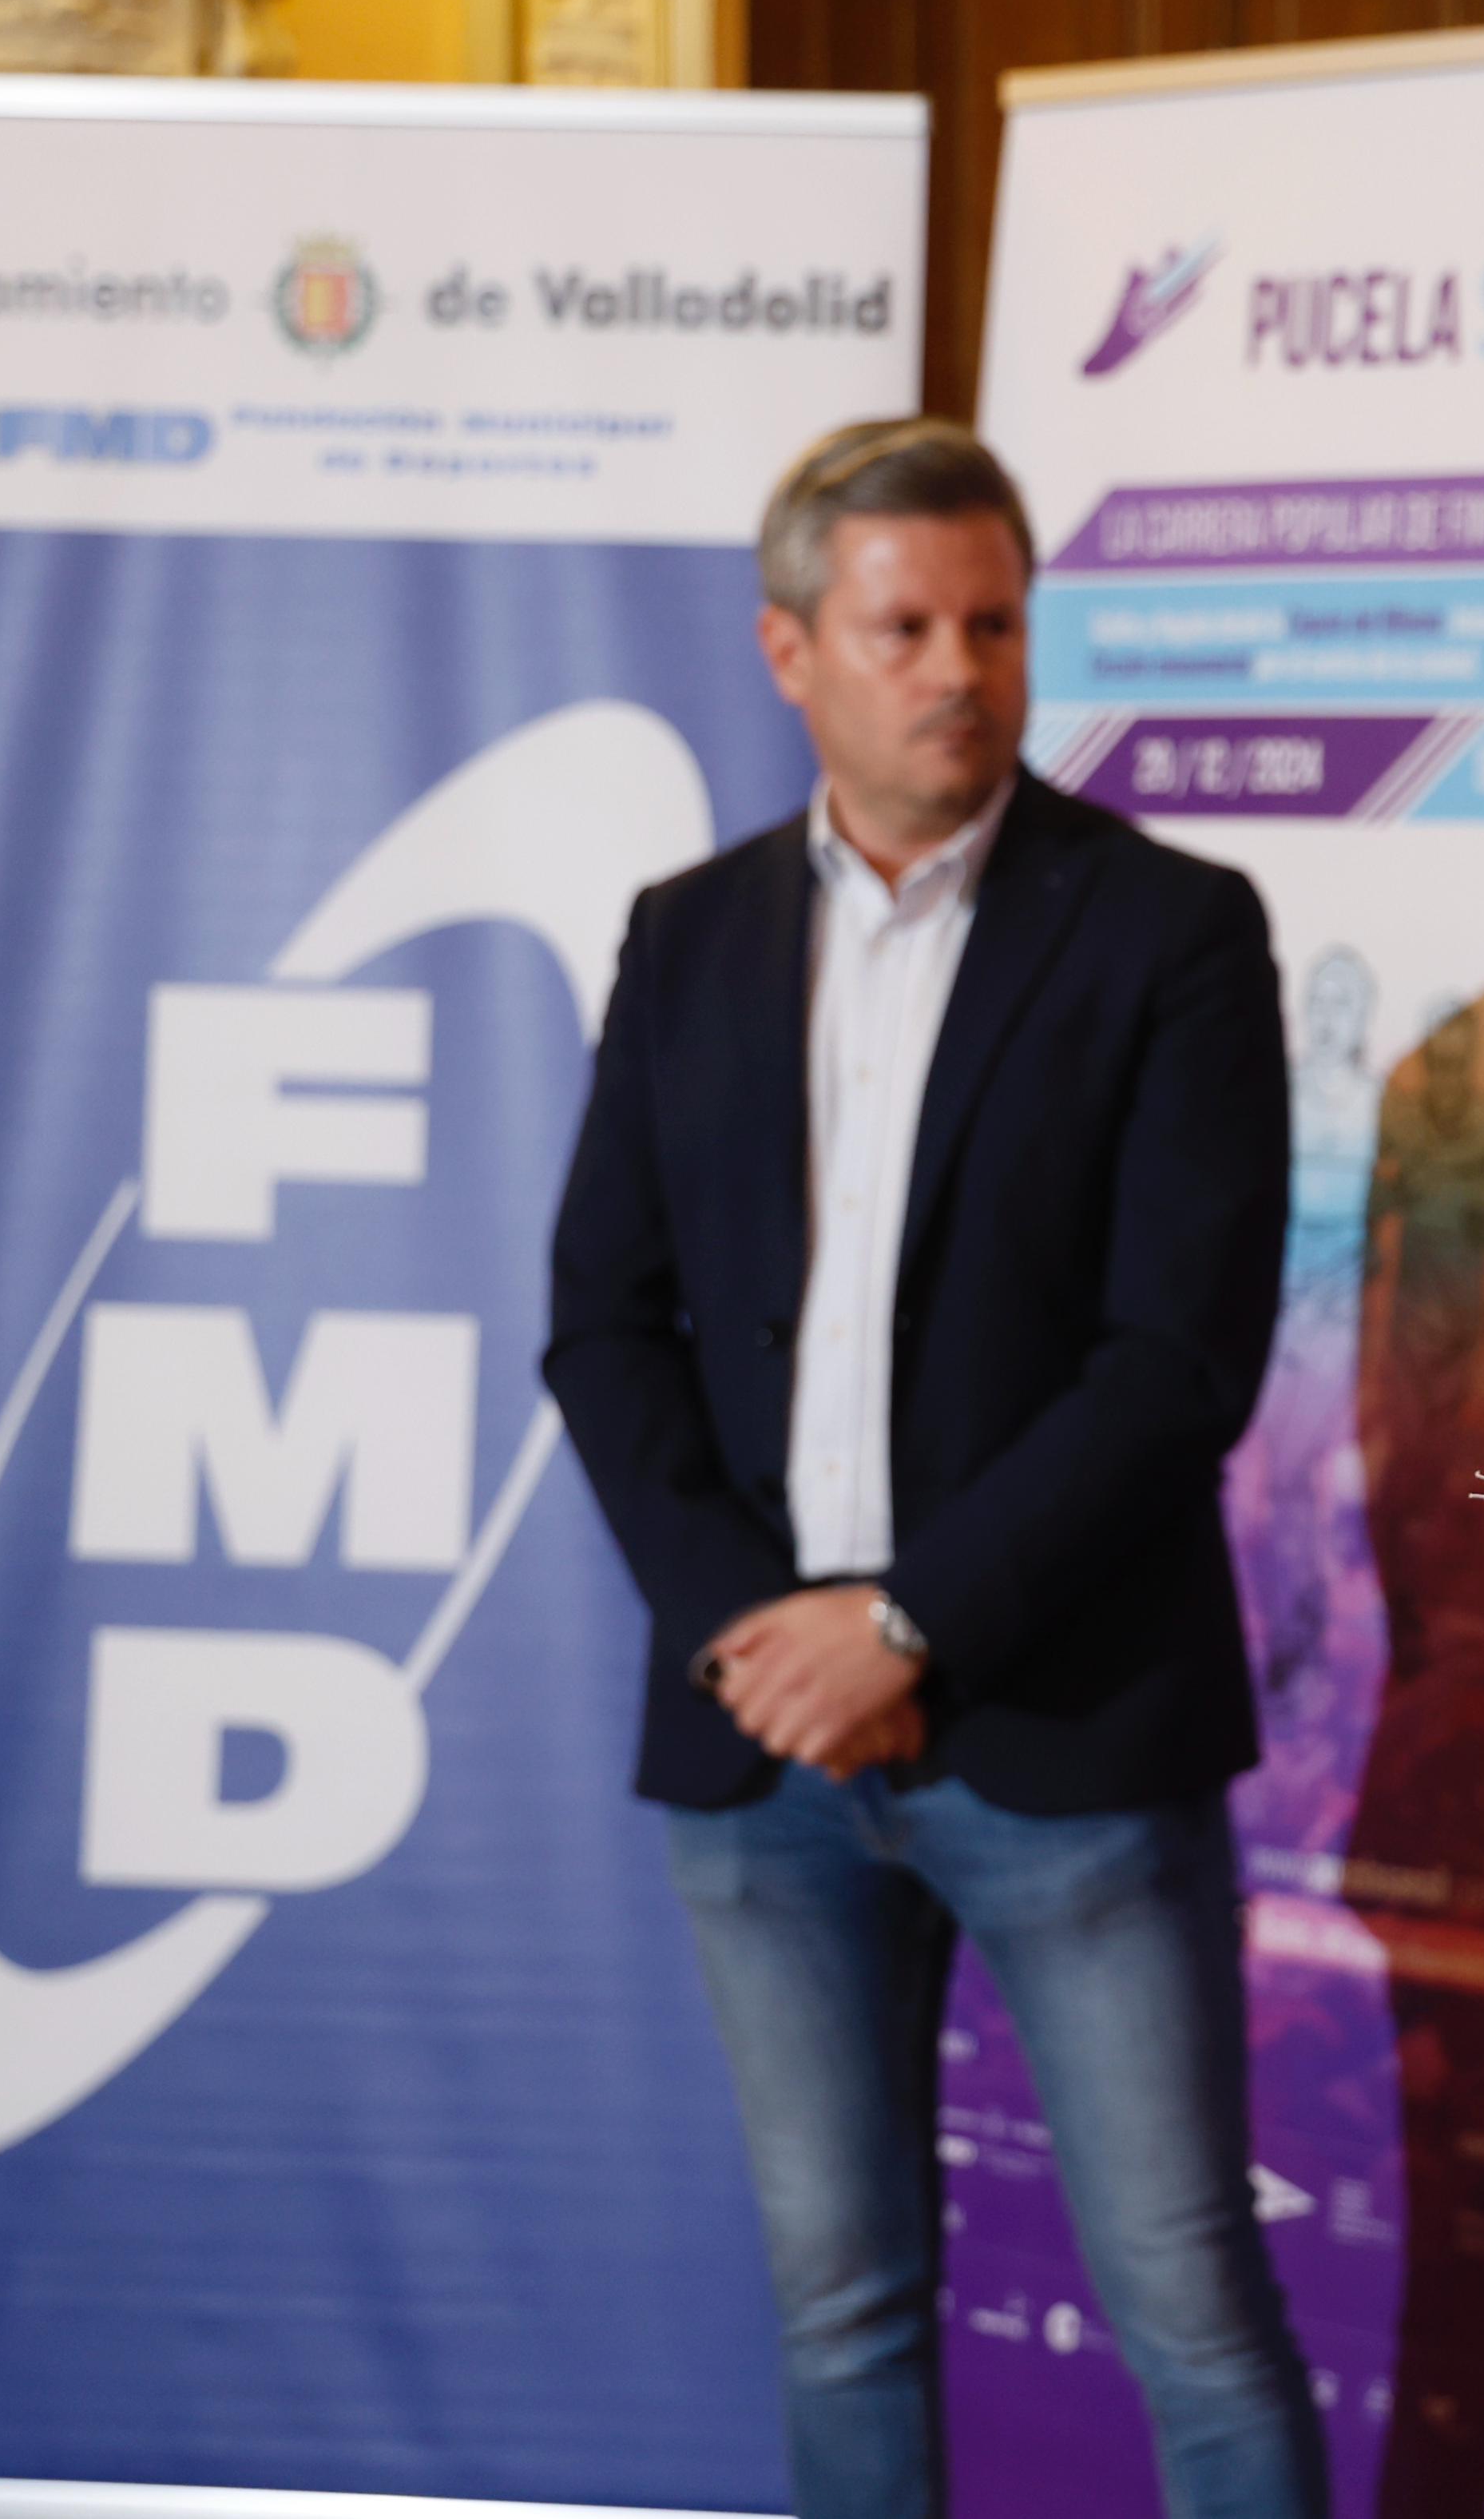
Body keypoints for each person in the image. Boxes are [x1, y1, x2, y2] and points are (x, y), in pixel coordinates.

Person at [544, 418, 1323, 2519]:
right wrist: (756, 1635)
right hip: (764, 1752)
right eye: (905, 630)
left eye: (994, 623)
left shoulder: (1170, 930)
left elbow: (1179, 1364)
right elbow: (602, 1323)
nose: (959, 671)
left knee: (1193, 2314)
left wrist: (903, 1628)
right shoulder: (687, 935)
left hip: (1068, 1736)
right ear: (791, 649)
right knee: (842, 2314)